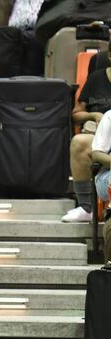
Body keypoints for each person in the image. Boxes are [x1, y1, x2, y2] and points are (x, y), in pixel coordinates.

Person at [62, 45, 111, 223]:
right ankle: (87, 207)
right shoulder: (96, 78)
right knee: (79, 142)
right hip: (98, 134)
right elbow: (76, 114)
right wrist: (93, 115)